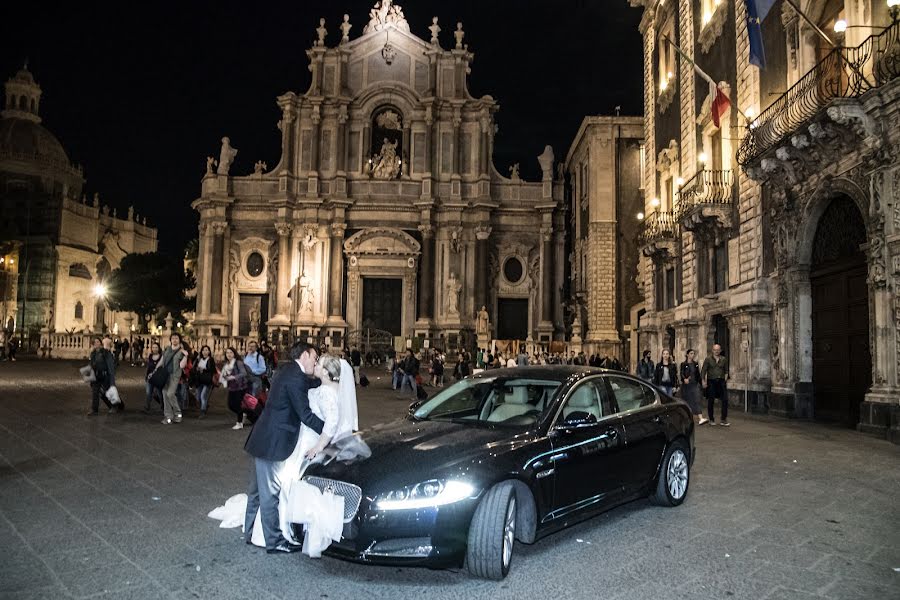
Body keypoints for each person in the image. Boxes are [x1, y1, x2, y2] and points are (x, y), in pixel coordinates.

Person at [243, 341, 324, 554]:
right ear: (305, 355)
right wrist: (329, 434)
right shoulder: (296, 376)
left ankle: (249, 531)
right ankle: (275, 541)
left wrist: (322, 382)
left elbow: (304, 385)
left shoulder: (287, 370)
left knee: (256, 491)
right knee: (270, 493)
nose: (315, 363)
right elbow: (305, 415)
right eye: (314, 358)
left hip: (263, 436)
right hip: (274, 442)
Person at [152, 333, 188, 425]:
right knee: (164, 393)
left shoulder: (181, 351)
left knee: (170, 393)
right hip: (165, 375)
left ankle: (178, 413)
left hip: (175, 375)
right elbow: (163, 360)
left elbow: (182, 366)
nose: (174, 340)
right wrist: (156, 368)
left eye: (176, 338)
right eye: (173, 338)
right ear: (170, 340)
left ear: (179, 340)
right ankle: (168, 416)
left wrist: (186, 356)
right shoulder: (167, 349)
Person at [702, 343, 730, 426]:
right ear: (712, 350)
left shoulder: (724, 359)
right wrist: (703, 381)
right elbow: (703, 370)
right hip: (711, 381)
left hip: (721, 381)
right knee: (711, 400)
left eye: (718, 350)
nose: (716, 351)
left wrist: (725, 379)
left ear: (720, 350)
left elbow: (726, 371)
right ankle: (711, 419)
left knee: (725, 400)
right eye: (715, 350)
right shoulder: (708, 359)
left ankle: (723, 419)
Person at [87, 337, 117, 416]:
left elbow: (110, 366)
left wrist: (112, 379)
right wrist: (90, 377)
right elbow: (91, 365)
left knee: (109, 391)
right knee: (95, 393)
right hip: (96, 376)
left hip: (104, 375)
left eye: (98, 342)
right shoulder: (93, 353)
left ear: (100, 343)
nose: (96, 343)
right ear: (93, 344)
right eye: (94, 342)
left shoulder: (105, 352)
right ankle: (94, 409)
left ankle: (114, 406)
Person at [221, 347, 250, 429]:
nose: (229, 354)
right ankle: (243, 413)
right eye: (227, 353)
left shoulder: (238, 362)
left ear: (234, 353)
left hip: (240, 387)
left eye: (231, 352)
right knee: (230, 405)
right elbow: (224, 374)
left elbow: (243, 373)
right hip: (232, 387)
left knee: (237, 404)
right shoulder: (226, 364)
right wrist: (225, 377)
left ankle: (239, 423)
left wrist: (234, 377)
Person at [680, 349, 708, 425]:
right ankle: (688, 418)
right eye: (691, 353)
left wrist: (702, 382)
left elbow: (698, 374)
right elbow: (681, 373)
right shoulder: (683, 364)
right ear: (687, 355)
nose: (692, 355)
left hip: (694, 385)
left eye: (693, 354)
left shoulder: (695, 364)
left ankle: (701, 418)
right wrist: (684, 379)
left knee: (697, 400)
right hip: (686, 386)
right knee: (688, 402)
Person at [194, 345, 218, 419]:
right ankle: (205, 405)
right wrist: (197, 369)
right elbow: (194, 368)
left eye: (207, 350)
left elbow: (213, 370)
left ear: (209, 351)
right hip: (199, 380)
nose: (205, 352)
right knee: (198, 397)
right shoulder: (199, 359)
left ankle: (202, 411)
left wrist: (203, 370)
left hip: (207, 380)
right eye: (203, 350)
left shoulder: (211, 360)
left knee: (203, 396)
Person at [143, 341, 163, 413]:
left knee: (159, 393)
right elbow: (148, 367)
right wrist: (146, 375)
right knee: (148, 393)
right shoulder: (150, 356)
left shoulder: (161, 357)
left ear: (159, 348)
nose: (154, 349)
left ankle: (162, 406)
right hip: (150, 377)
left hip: (158, 378)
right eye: (153, 347)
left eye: (156, 347)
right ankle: (147, 406)